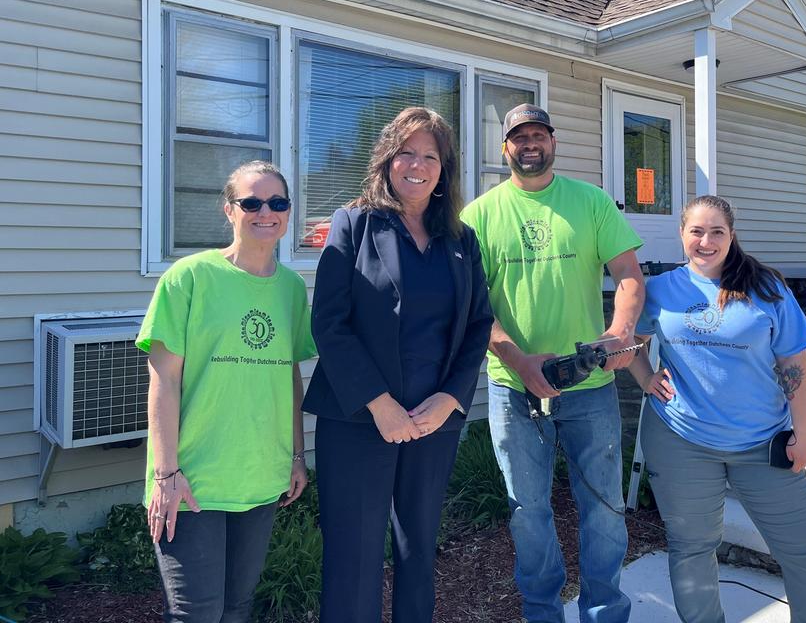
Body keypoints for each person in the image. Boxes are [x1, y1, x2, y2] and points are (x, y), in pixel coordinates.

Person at [303, 106, 493, 622]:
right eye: (406, 152)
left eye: (430, 155)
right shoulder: (354, 224)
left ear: (444, 169)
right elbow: (330, 322)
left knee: (418, 549)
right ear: (387, 160)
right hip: (359, 418)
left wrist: (451, 399)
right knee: (354, 555)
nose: (417, 164)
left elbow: (479, 325)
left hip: (434, 420)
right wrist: (379, 404)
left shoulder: (462, 240)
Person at [461, 103, 644, 623]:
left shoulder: (590, 203)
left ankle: (605, 612)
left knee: (605, 509)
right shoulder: (478, 216)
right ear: (506, 149)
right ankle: (542, 613)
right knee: (528, 512)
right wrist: (519, 362)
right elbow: (474, 308)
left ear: (554, 141)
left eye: (538, 134)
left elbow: (629, 276)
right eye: (519, 137)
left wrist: (618, 334)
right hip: (512, 389)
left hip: (587, 386)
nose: (529, 144)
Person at [628, 194, 806, 623]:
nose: (706, 241)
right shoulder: (662, 290)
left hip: (761, 441)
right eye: (697, 231)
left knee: (804, 545)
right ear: (682, 234)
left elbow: (794, 365)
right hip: (680, 439)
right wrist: (645, 377)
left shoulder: (766, 287)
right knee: (691, 545)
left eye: (716, 232)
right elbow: (631, 340)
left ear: (731, 236)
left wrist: (804, 434)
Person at [138, 161, 316, 623]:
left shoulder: (292, 289)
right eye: (251, 202)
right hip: (191, 478)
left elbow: (289, 375)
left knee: (237, 608)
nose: (265, 212)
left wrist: (297, 456)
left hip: (260, 474)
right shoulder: (189, 277)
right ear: (229, 210)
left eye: (277, 203)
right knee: (196, 613)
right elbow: (164, 379)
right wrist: (165, 472)